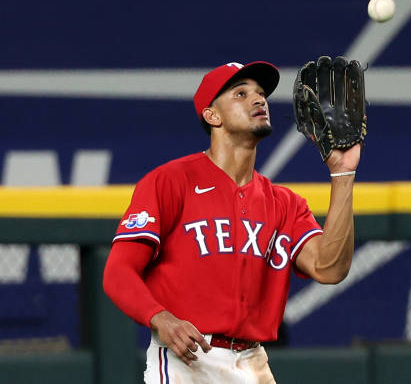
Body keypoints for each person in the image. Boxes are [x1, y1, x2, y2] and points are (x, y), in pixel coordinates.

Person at [103, 60, 361, 383]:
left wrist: (343, 172)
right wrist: (161, 319)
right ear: (212, 116)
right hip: (189, 359)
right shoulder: (171, 182)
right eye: (240, 93)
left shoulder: (283, 203)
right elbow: (117, 273)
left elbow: (330, 267)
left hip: (253, 361)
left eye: (261, 93)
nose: (258, 99)